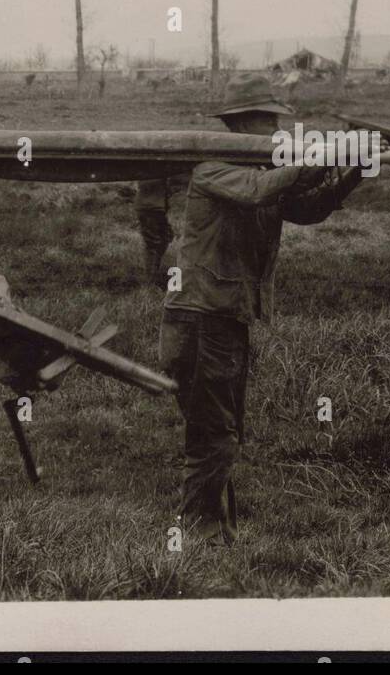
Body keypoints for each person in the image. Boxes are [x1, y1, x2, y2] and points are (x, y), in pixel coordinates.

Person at [160, 74, 369, 544]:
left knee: (225, 430)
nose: (278, 130)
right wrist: (314, 158)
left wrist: (352, 171)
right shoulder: (213, 169)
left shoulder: (262, 171)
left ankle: (215, 528)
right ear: (241, 124)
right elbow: (258, 190)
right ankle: (200, 532)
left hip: (226, 319)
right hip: (199, 319)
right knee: (213, 432)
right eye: (269, 121)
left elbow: (305, 209)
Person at [134, 174, 187, 287]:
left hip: (153, 208)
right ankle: (150, 280)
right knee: (154, 244)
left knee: (164, 238)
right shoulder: (152, 171)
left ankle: (152, 275)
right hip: (150, 208)